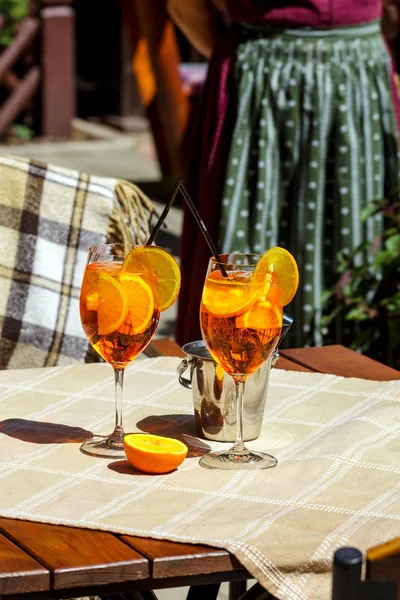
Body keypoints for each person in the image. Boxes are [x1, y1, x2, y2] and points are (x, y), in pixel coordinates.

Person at [169, 0, 400, 347]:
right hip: (264, 75)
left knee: (365, 249)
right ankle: (239, 382)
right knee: (243, 265)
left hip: (356, 75)